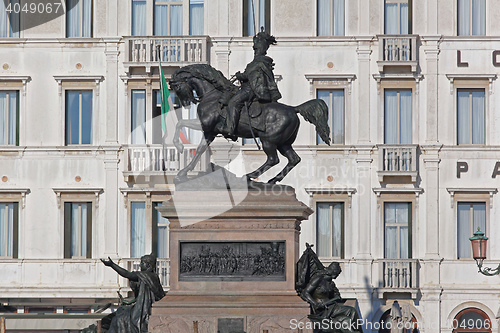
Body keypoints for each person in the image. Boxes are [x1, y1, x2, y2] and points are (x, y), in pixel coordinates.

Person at [223, 28, 282, 140]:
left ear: (261, 49)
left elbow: (252, 76)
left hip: (250, 90)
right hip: (247, 87)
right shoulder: (258, 62)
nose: (255, 50)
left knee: (233, 103)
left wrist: (242, 76)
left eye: (256, 49)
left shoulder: (260, 62)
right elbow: (252, 75)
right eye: (255, 49)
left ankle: (231, 130)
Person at [100, 254, 165, 333]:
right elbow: (143, 297)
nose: (140, 265)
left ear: (148, 265)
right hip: (143, 307)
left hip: (143, 310)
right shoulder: (153, 277)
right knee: (118, 315)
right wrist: (129, 302)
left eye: (142, 263)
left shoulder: (145, 275)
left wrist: (112, 265)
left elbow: (127, 274)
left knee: (119, 319)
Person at [300, 262, 362, 333]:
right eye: (338, 273)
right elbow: (305, 293)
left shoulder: (331, 284)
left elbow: (337, 295)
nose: (338, 275)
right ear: (334, 272)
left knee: (351, 312)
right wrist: (315, 303)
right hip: (321, 309)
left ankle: (358, 331)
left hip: (331, 307)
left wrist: (337, 296)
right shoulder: (318, 279)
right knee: (349, 314)